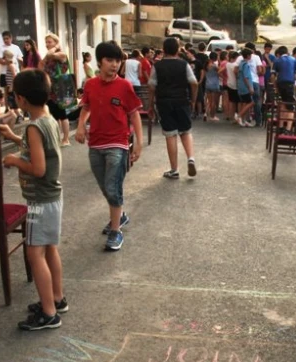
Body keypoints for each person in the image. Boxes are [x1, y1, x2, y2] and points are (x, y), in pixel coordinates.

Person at [0, 69, 65, 330]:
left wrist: (14, 160)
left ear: (21, 99)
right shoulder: (47, 120)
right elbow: (39, 151)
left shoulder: (34, 127)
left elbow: (38, 168)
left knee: (34, 253)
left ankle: (48, 313)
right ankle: (56, 299)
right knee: (49, 249)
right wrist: (14, 138)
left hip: (39, 200)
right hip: (52, 197)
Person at [75, 41, 143, 252]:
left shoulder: (124, 86)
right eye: (110, 60)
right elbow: (86, 107)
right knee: (105, 186)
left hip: (118, 143)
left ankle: (115, 232)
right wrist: (80, 126)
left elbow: (134, 114)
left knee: (113, 187)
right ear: (100, 61)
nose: (114, 65)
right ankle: (120, 215)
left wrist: (138, 142)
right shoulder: (91, 85)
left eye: (117, 61)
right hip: (95, 143)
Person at [148, 37, 198, 180]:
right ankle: (191, 158)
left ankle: (174, 170)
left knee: (170, 134)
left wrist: (150, 104)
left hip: (164, 103)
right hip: (182, 101)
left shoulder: (157, 66)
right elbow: (194, 83)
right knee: (186, 131)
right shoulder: (184, 64)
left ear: (163, 50)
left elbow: (151, 86)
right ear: (178, 50)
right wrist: (193, 100)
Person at [41, 33, 74, 147]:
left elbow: (50, 55)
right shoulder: (49, 56)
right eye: (46, 42)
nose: (47, 44)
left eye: (50, 42)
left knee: (62, 114)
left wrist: (55, 48)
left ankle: (66, 138)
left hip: (60, 88)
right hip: (50, 89)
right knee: (53, 114)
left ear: (56, 42)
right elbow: (42, 63)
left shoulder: (61, 54)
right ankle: (56, 137)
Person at [271, 46, 296, 132]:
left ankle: (280, 126)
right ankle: (288, 128)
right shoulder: (294, 60)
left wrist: (275, 87)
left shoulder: (277, 60)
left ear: (279, 53)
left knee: (282, 105)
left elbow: (273, 76)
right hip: (290, 84)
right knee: (290, 107)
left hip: (280, 84)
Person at [235, 43, 264, 126]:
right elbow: (260, 70)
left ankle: (245, 119)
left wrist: (239, 79)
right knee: (255, 101)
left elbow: (235, 71)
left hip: (243, 84)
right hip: (253, 81)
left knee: (245, 102)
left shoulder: (240, 59)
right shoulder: (256, 57)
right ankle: (258, 121)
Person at [236, 48, 256, 128]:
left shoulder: (241, 63)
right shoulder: (246, 65)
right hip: (245, 87)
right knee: (251, 102)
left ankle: (244, 120)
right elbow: (246, 77)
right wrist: (250, 87)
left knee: (244, 103)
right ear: (248, 56)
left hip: (240, 86)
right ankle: (239, 116)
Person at [204, 52, 221, 121]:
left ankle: (206, 113)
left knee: (209, 101)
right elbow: (220, 71)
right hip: (214, 84)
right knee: (214, 102)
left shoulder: (206, 65)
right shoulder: (214, 66)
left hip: (207, 84)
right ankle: (212, 116)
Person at [225, 50, 239, 123]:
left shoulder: (227, 64)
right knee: (236, 102)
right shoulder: (235, 65)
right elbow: (236, 73)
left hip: (229, 83)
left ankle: (230, 115)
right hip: (235, 84)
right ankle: (234, 116)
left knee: (231, 101)